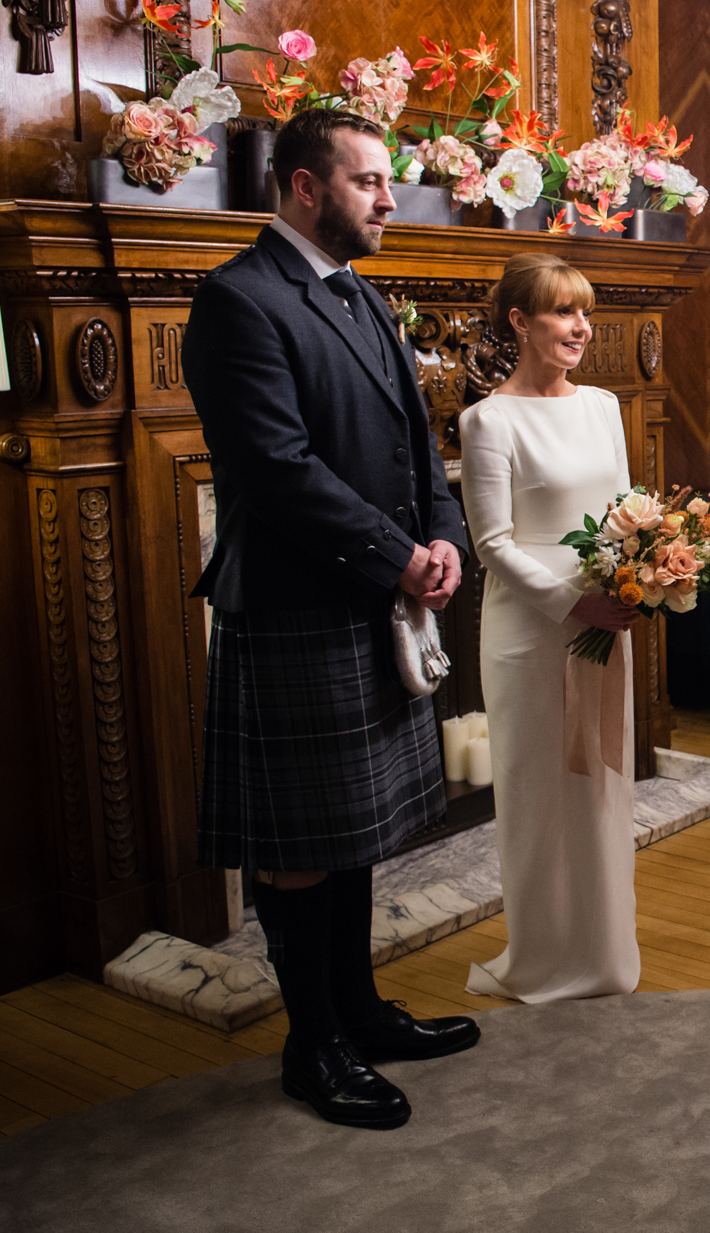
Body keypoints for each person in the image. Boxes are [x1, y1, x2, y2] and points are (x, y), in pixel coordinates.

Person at [186, 108, 480, 1130]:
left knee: (350, 834)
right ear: (306, 187)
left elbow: (417, 442)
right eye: (369, 182)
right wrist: (396, 555)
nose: (390, 198)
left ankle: (358, 1009)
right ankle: (312, 1044)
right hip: (295, 605)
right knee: (302, 843)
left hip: (373, 594)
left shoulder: (361, 298)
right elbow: (273, 470)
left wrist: (443, 534)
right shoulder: (239, 300)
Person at [458, 253, 644, 1001]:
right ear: (520, 322)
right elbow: (492, 545)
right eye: (564, 312)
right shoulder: (488, 420)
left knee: (603, 788)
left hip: (607, 621)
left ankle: (602, 955)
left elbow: (630, 510)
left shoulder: (602, 405)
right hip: (532, 634)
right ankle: (541, 955)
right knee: (541, 793)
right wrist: (576, 603)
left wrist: (646, 577)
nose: (581, 327)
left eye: (584, 312)